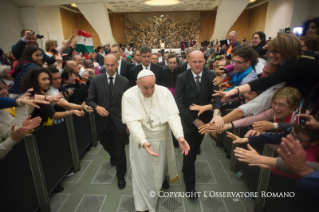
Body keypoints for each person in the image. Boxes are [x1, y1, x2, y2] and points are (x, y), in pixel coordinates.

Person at [122, 70, 190, 212]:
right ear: (137, 84)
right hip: (141, 143)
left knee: (158, 172)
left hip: (161, 139)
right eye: (145, 88)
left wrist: (179, 136)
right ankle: (142, 205)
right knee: (143, 174)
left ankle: (154, 195)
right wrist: (143, 141)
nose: (150, 91)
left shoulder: (164, 92)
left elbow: (173, 115)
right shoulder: (129, 95)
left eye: (152, 86)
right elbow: (132, 122)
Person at [214, 33, 319, 108]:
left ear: (287, 51)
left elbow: (266, 81)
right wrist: (226, 70)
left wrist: (235, 90)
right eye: (270, 51)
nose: (271, 55)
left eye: (276, 52)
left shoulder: (293, 66)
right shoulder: (301, 59)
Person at [175, 50, 222, 197]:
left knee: (194, 150)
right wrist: (195, 121)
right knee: (189, 154)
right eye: (194, 62)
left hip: (205, 123)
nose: (197, 64)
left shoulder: (212, 75)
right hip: (188, 122)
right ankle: (190, 187)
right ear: (188, 61)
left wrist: (216, 113)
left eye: (200, 61)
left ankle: (187, 166)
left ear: (205, 61)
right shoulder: (182, 78)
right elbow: (179, 104)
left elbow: (217, 98)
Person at [88, 54, 130, 190]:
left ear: (117, 64)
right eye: (107, 65)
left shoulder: (124, 81)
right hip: (102, 121)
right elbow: (90, 100)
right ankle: (112, 156)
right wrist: (97, 107)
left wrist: (128, 123)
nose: (110, 67)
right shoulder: (96, 80)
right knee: (107, 145)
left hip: (119, 122)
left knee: (120, 150)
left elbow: (129, 104)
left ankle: (120, 176)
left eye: (112, 65)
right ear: (103, 65)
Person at [20, 68, 84, 126]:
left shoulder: (43, 91)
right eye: (43, 79)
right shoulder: (36, 94)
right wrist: (73, 111)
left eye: (48, 79)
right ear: (35, 81)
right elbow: (53, 114)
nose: (47, 82)